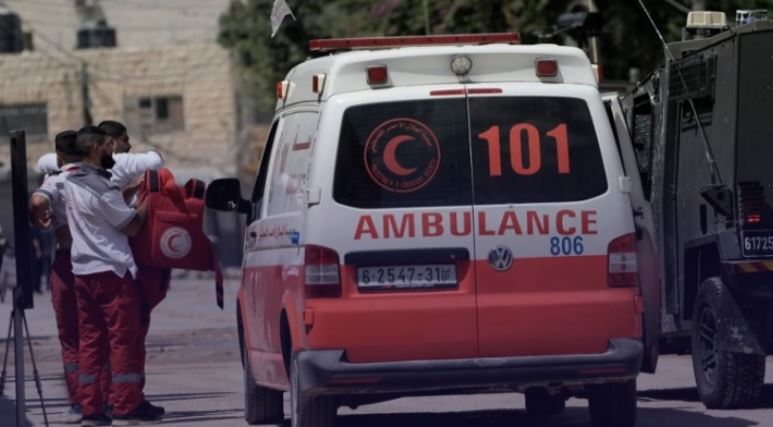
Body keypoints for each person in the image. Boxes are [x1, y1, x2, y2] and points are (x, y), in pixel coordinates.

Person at [62, 126, 159, 426]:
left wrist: (124, 193)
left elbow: (101, 215)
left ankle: (91, 408)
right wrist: (150, 200)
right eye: (107, 145)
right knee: (123, 341)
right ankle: (125, 405)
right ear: (95, 148)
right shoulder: (102, 187)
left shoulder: (71, 181)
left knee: (91, 343)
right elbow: (132, 225)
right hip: (112, 273)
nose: (112, 150)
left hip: (83, 272)